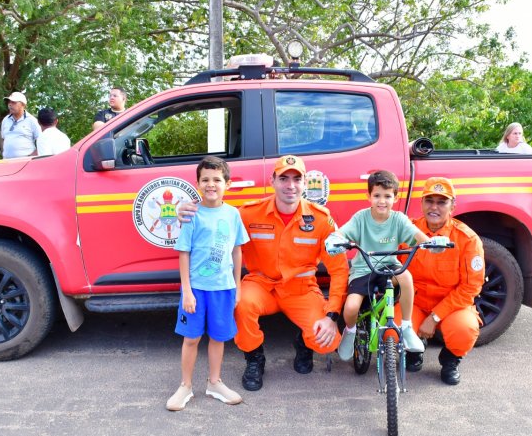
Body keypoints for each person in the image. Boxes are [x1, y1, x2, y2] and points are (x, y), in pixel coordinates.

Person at [178, 155, 349, 392]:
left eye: (296, 179)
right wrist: (187, 210)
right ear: (273, 180)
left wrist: (331, 316)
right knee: (239, 304)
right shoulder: (249, 214)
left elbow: (339, 270)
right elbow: (216, 214)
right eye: (284, 178)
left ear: (304, 183)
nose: (290, 185)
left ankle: (304, 343)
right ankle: (254, 358)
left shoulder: (321, 220)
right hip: (260, 285)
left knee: (328, 342)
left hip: (300, 289)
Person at [325, 170, 447, 361]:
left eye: (388, 196)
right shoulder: (361, 218)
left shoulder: (398, 219)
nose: (382, 201)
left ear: (395, 197)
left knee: (406, 276)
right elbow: (343, 233)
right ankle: (350, 332)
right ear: (368, 196)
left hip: (388, 268)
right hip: (363, 269)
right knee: (350, 308)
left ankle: (406, 327)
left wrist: (433, 244)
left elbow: (418, 236)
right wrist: (334, 239)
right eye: (377, 196)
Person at [166, 156, 250, 411]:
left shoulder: (233, 214)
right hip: (196, 289)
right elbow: (184, 253)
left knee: (218, 337)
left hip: (223, 289)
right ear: (198, 183)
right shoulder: (192, 214)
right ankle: (185, 386)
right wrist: (187, 292)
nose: (211, 184)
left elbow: (237, 251)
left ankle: (214, 382)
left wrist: (236, 286)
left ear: (228, 183)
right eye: (205, 180)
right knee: (191, 338)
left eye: (217, 179)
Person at [399, 177, 485, 385]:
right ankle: (415, 349)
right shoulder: (407, 231)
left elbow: (471, 286)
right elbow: (394, 266)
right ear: (421, 203)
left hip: (452, 305)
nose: (434, 207)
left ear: (453, 206)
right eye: (429, 201)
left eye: (441, 202)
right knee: (390, 330)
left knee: (464, 330)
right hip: (416, 301)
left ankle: (450, 360)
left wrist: (435, 317)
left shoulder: (467, 239)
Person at [1, 92, 41, 159]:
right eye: (9, 102)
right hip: (7, 163)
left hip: (26, 163)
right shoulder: (5, 120)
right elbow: (4, 139)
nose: (10, 104)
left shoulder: (32, 120)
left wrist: (31, 157)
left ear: (23, 105)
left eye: (14, 102)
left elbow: (42, 142)